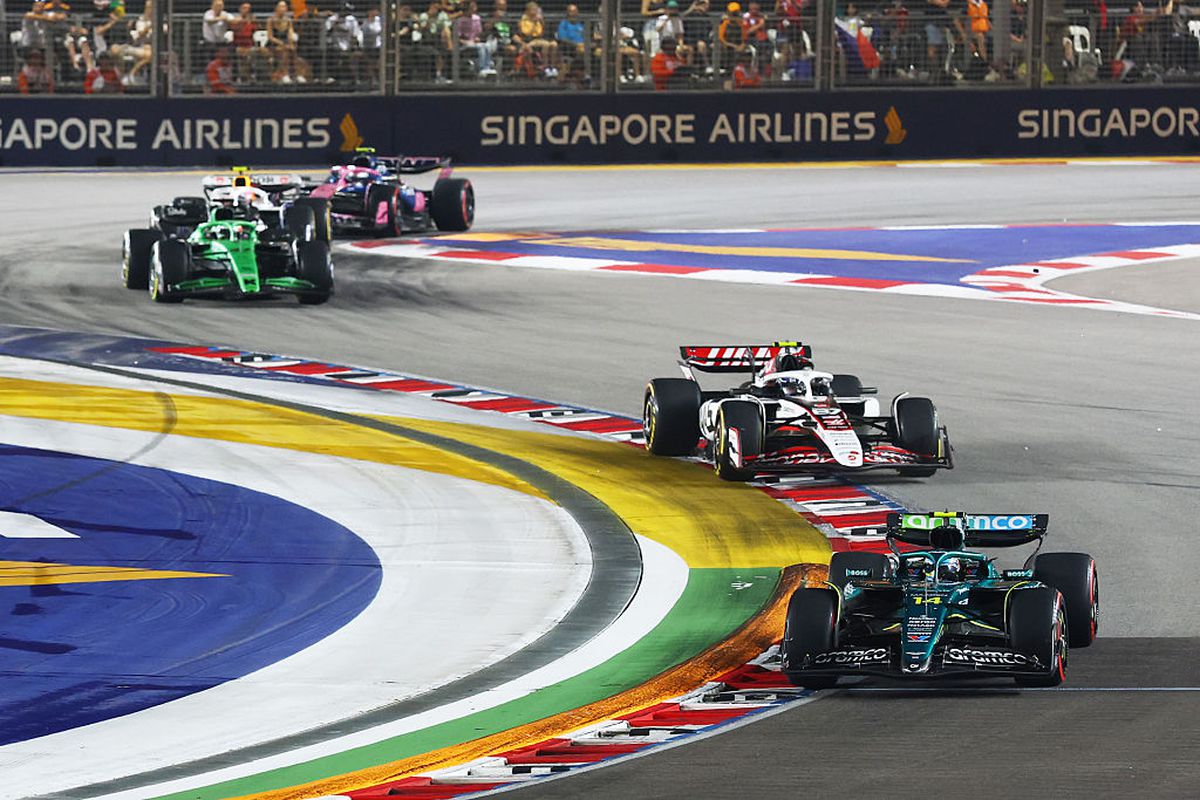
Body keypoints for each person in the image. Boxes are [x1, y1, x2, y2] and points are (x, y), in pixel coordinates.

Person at [515, 0, 557, 77]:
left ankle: (552, 68)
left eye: (536, 10)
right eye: (533, 10)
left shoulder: (538, 20)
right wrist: (534, 23)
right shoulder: (523, 20)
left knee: (554, 44)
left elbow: (542, 33)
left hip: (539, 39)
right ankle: (545, 67)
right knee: (546, 45)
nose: (535, 12)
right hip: (529, 40)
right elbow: (526, 33)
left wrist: (542, 22)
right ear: (528, 11)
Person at [326, 1, 363, 83]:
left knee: (352, 59)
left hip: (348, 48)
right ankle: (333, 77)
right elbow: (326, 33)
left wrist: (351, 49)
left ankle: (355, 79)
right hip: (335, 49)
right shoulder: (331, 19)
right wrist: (335, 24)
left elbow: (355, 36)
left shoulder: (352, 20)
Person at [457, 0, 495, 75]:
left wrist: (478, 38)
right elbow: (457, 37)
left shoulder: (477, 18)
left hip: (476, 42)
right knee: (481, 47)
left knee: (487, 45)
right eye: (472, 7)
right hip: (465, 43)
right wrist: (465, 41)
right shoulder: (460, 20)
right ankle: (483, 68)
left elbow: (479, 33)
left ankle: (488, 67)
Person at [555, 3, 586, 80]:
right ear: (567, 13)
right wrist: (576, 45)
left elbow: (586, 37)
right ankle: (582, 73)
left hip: (584, 46)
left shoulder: (581, 24)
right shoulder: (564, 24)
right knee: (581, 50)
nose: (573, 14)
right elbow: (562, 38)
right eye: (571, 11)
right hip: (570, 47)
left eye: (575, 11)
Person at [683, 0, 714, 70]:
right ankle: (707, 66)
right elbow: (682, 17)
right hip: (691, 40)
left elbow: (711, 31)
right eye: (704, 4)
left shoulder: (708, 17)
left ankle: (712, 67)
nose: (707, 6)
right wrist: (692, 7)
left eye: (708, 4)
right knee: (700, 45)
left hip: (705, 40)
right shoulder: (690, 15)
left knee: (710, 45)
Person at [718, 1, 747, 72]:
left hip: (737, 45)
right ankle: (724, 69)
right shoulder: (725, 23)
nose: (733, 15)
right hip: (727, 45)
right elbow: (721, 38)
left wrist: (742, 45)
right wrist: (734, 46)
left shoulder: (741, 23)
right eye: (732, 13)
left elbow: (744, 38)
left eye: (735, 13)